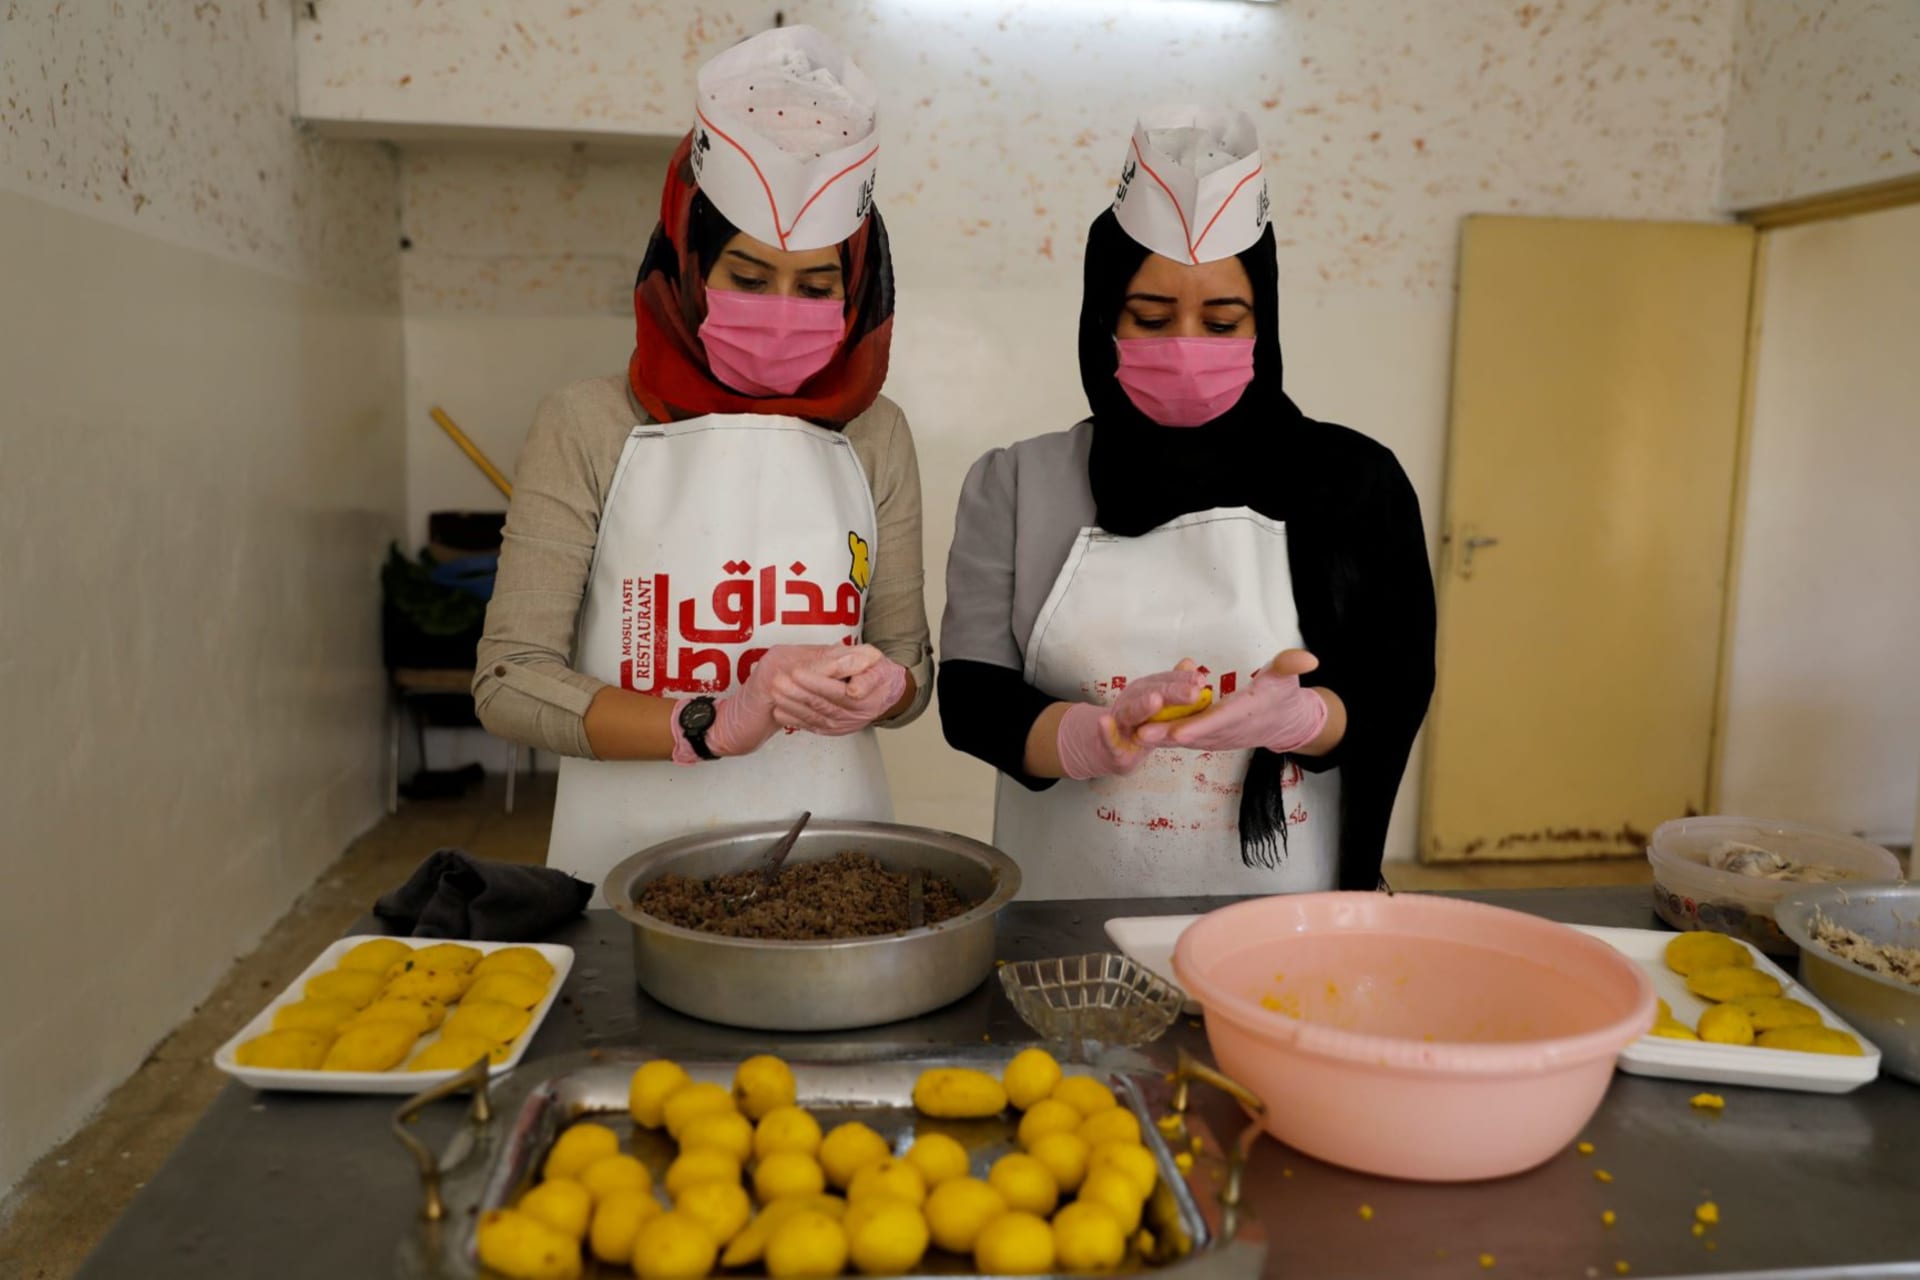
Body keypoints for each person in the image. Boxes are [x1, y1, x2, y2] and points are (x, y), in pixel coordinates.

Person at [474, 27, 930, 900]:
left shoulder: (878, 433)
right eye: (748, 278)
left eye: (816, 285)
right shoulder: (588, 422)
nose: (782, 309)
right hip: (628, 853)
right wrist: (709, 722)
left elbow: (908, 661)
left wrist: (889, 686)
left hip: (833, 848)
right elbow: (509, 681)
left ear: (856, 288)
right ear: (688, 266)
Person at [939, 106, 1434, 898]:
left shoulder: (1354, 480)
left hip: (1285, 912)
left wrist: (1304, 721)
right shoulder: (1016, 482)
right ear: (1104, 319)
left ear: (1262, 322)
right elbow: (970, 699)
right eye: (1152, 317)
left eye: (1222, 320)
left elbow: (1395, 690)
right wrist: (1085, 738)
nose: (1187, 346)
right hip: (1066, 917)